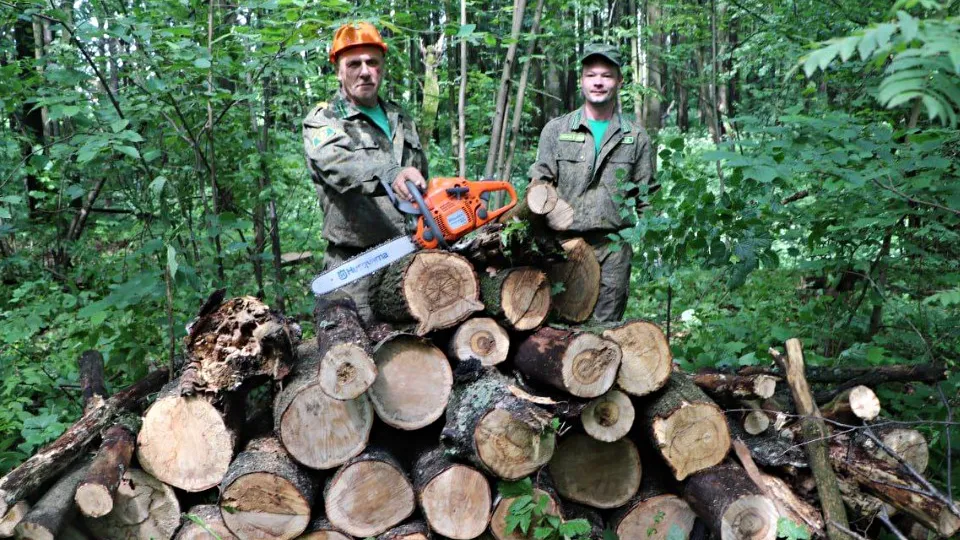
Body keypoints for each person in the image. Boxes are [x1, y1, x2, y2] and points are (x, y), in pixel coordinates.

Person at [303, 22, 428, 321]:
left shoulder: (401, 118)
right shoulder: (324, 121)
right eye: (354, 63)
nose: (364, 71)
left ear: (382, 67)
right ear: (338, 70)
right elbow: (337, 167)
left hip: (410, 258)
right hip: (356, 267)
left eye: (372, 62)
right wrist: (391, 172)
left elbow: (420, 177)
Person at [528, 43, 656, 322]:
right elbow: (541, 187)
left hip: (614, 247)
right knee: (559, 328)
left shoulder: (635, 136)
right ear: (582, 81)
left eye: (607, 75)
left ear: (619, 81)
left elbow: (647, 196)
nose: (598, 82)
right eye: (591, 75)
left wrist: (652, 244)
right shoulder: (557, 131)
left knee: (606, 329)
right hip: (564, 246)